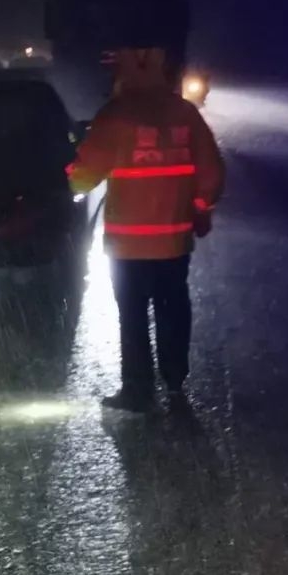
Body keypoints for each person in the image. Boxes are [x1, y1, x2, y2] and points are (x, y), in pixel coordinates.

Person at [69, 46, 225, 413]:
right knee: (174, 308)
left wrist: (70, 173)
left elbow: (83, 178)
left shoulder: (114, 116)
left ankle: (138, 391)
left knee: (134, 316)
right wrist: (201, 208)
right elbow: (213, 172)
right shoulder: (184, 115)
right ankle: (174, 381)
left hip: (128, 244)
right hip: (174, 239)